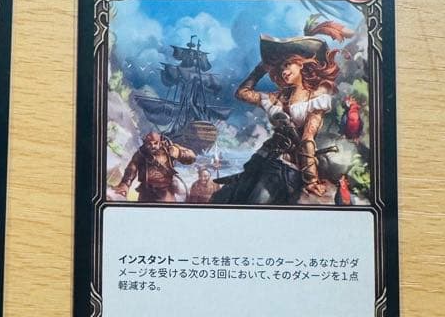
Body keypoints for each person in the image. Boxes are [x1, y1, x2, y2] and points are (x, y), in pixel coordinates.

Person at [212, 24, 347, 205]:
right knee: (228, 197)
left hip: (285, 168)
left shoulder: (315, 99)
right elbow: (242, 93)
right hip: (261, 160)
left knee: (255, 204)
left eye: (287, 65)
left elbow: (307, 139)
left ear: (301, 63)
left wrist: (311, 180)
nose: (283, 71)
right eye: (280, 67)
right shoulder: (276, 97)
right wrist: (260, 70)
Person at [114, 131, 195, 202]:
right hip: (146, 192)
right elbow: (131, 168)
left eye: (155, 143)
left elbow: (192, 158)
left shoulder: (169, 150)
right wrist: (125, 184)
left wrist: (179, 153)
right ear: (145, 143)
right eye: (149, 144)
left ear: (160, 142)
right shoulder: (141, 153)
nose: (152, 146)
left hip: (166, 192)